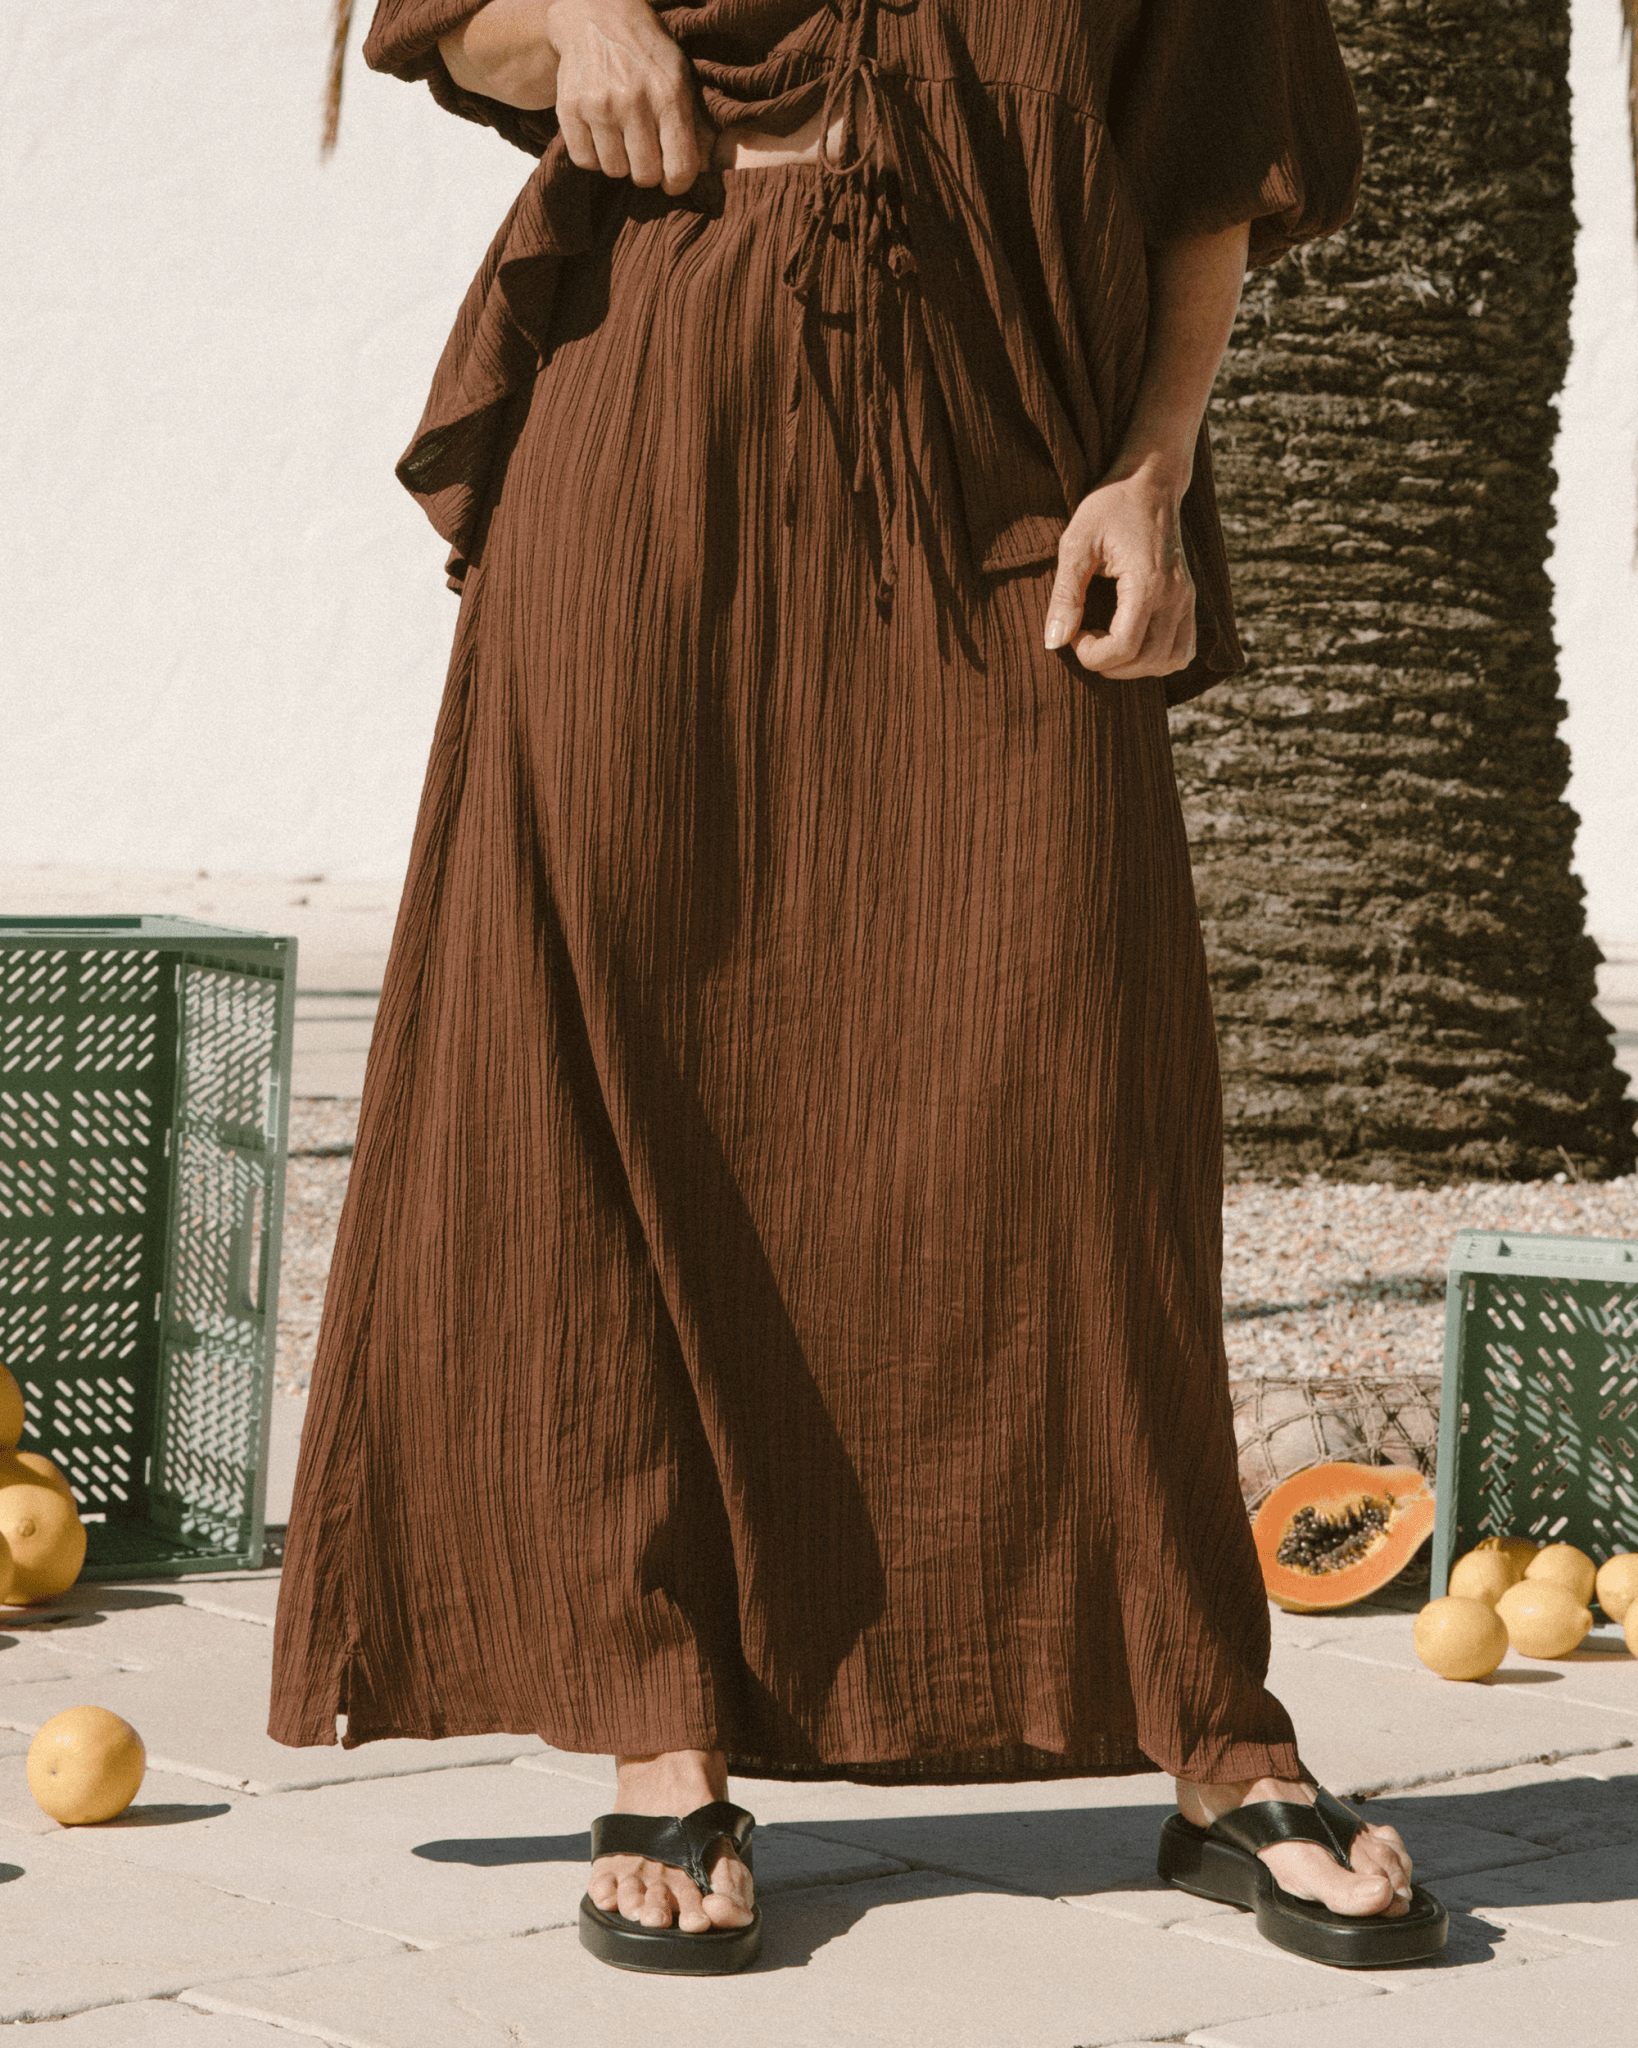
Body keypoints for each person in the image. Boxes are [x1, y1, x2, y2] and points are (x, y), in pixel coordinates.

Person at [272, 0, 1445, 1974]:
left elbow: (1204, 167)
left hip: (1010, 474)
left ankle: (1216, 1732)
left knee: (1081, 1100)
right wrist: (577, 14)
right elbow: (461, 31)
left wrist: (1153, 473)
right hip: (648, 459)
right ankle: (661, 1719)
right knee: (615, 1065)